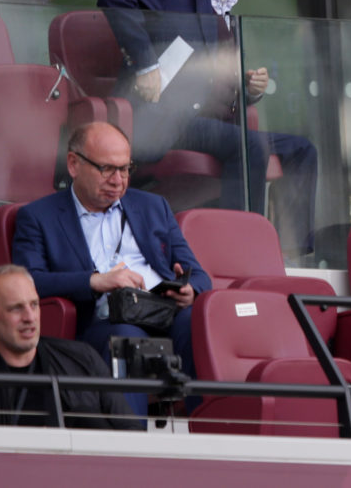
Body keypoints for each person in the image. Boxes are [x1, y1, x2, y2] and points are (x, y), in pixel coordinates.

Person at [96, 0, 317, 257]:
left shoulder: (227, 13)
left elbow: (212, 80)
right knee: (251, 146)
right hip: (168, 118)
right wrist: (145, 65)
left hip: (212, 121)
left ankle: (293, 255)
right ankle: (241, 254)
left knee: (302, 151)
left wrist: (247, 89)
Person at [12, 121, 212, 417]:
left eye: (125, 169)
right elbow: (25, 282)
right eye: (107, 169)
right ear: (74, 164)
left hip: (162, 312)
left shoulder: (154, 207)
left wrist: (188, 290)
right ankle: (129, 447)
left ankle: (212, 432)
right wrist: (96, 281)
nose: (118, 180)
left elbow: (201, 276)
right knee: (125, 335)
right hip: (100, 322)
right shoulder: (39, 217)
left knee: (199, 319)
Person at [0, 265, 141, 429]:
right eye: (16, 308)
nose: (29, 317)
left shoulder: (83, 359)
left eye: (34, 305)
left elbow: (132, 436)